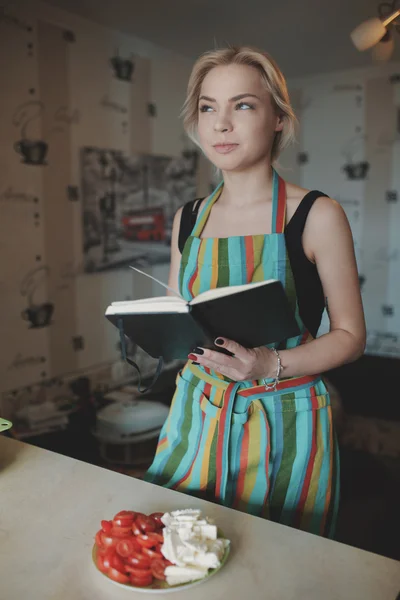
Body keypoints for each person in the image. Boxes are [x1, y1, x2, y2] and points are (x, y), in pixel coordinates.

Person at [144, 46, 366, 539]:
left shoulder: (316, 214)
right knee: (180, 548)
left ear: (279, 120)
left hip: (285, 420)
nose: (221, 124)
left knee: (275, 564)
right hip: (197, 411)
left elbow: (351, 337)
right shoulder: (189, 218)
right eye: (208, 107)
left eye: (242, 105)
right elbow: (183, 314)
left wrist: (268, 365)